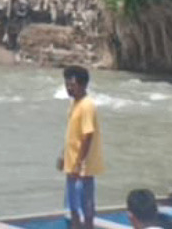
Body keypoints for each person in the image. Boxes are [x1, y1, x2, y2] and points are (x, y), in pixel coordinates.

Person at [57, 65, 104, 229]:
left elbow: (87, 135)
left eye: (72, 84)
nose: (68, 88)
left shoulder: (87, 105)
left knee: (86, 208)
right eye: (66, 84)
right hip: (72, 166)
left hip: (83, 169)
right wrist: (63, 155)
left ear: (82, 85)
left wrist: (79, 162)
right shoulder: (74, 104)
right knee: (73, 207)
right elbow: (72, 134)